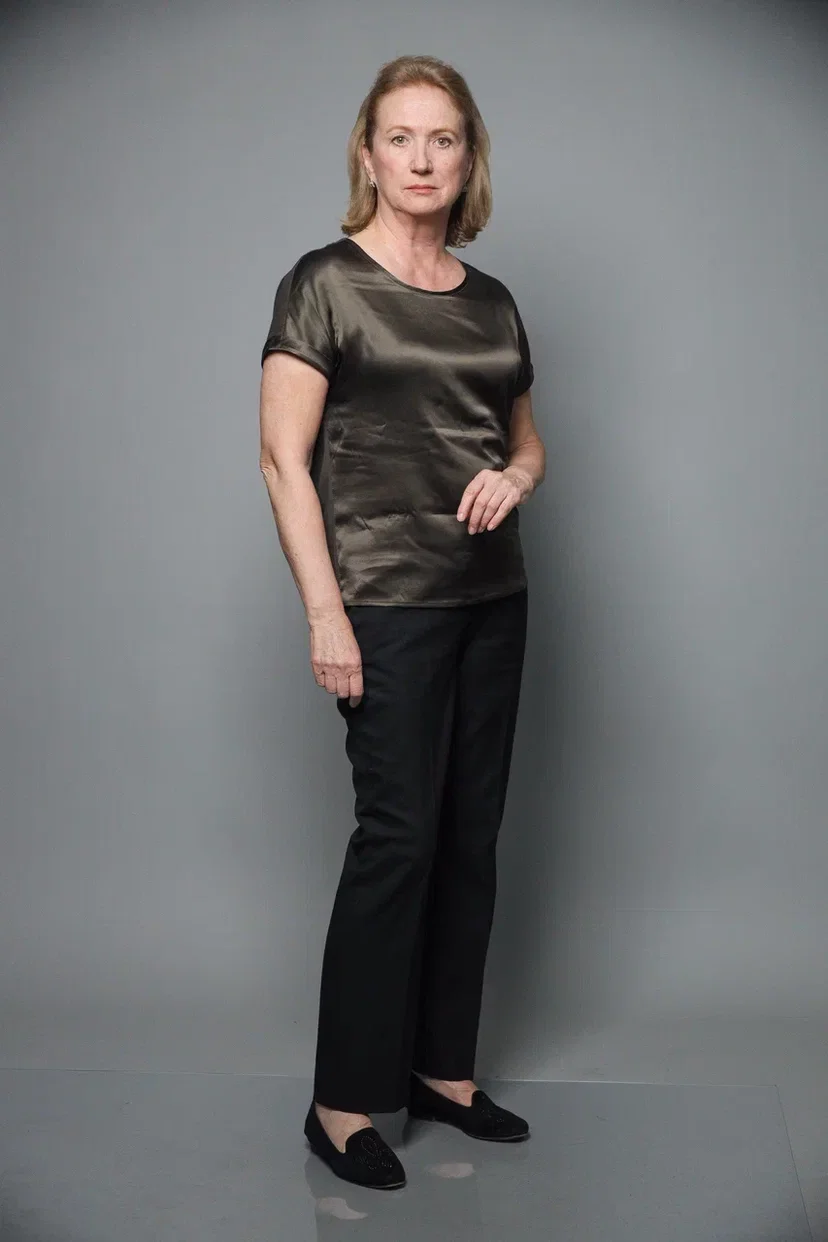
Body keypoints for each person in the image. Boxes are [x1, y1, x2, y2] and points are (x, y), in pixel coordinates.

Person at [258, 54, 546, 1191]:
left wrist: (515, 478)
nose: (423, 159)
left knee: (471, 838)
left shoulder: (493, 299)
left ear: (468, 158)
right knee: (400, 840)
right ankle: (340, 1104)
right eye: (400, 137)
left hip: (494, 599)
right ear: (368, 155)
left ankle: (443, 1073)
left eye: (444, 139)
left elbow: (526, 443)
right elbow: (283, 460)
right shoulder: (324, 284)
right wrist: (326, 615)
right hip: (384, 602)